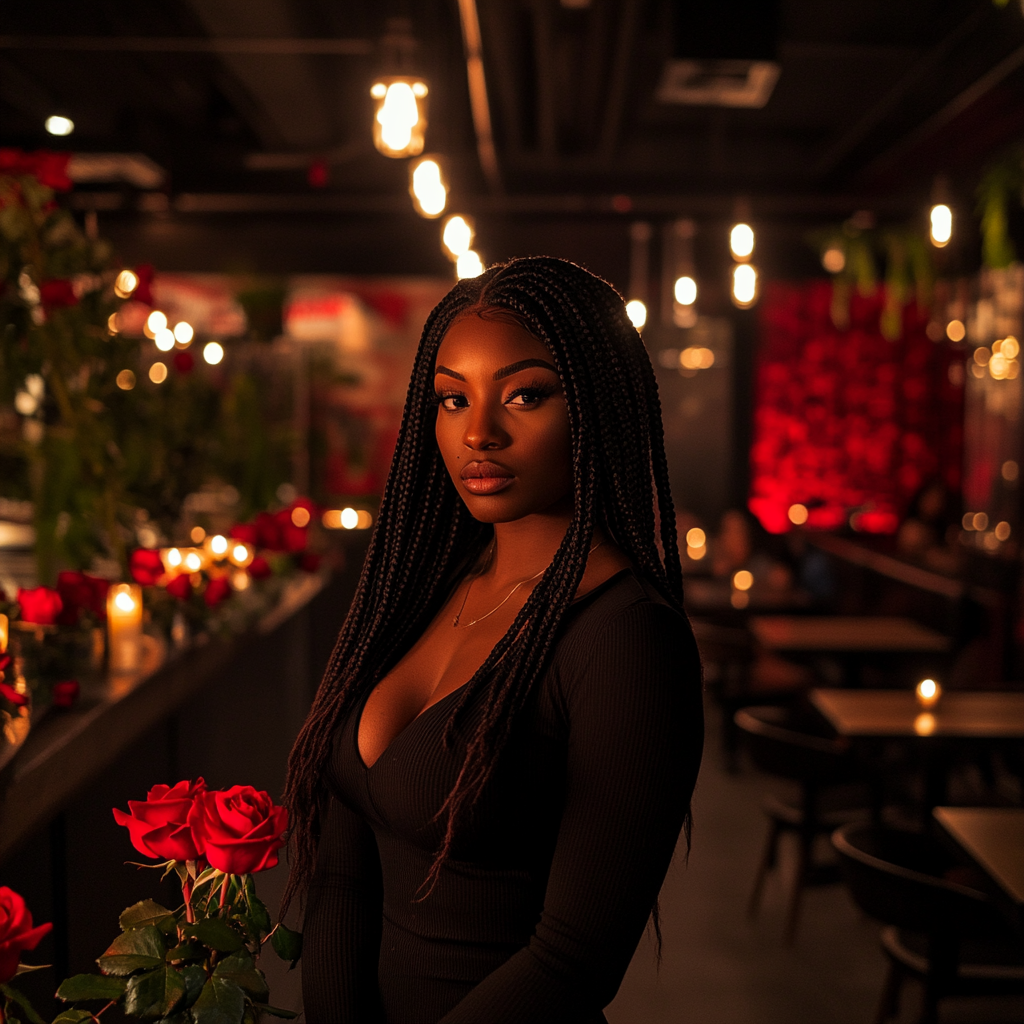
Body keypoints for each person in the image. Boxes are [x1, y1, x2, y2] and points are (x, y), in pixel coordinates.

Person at [284, 256, 704, 1023]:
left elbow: (572, 960)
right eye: (452, 398)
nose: (479, 431)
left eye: (525, 394)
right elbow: (344, 876)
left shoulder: (628, 639)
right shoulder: (418, 590)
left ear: (597, 407)